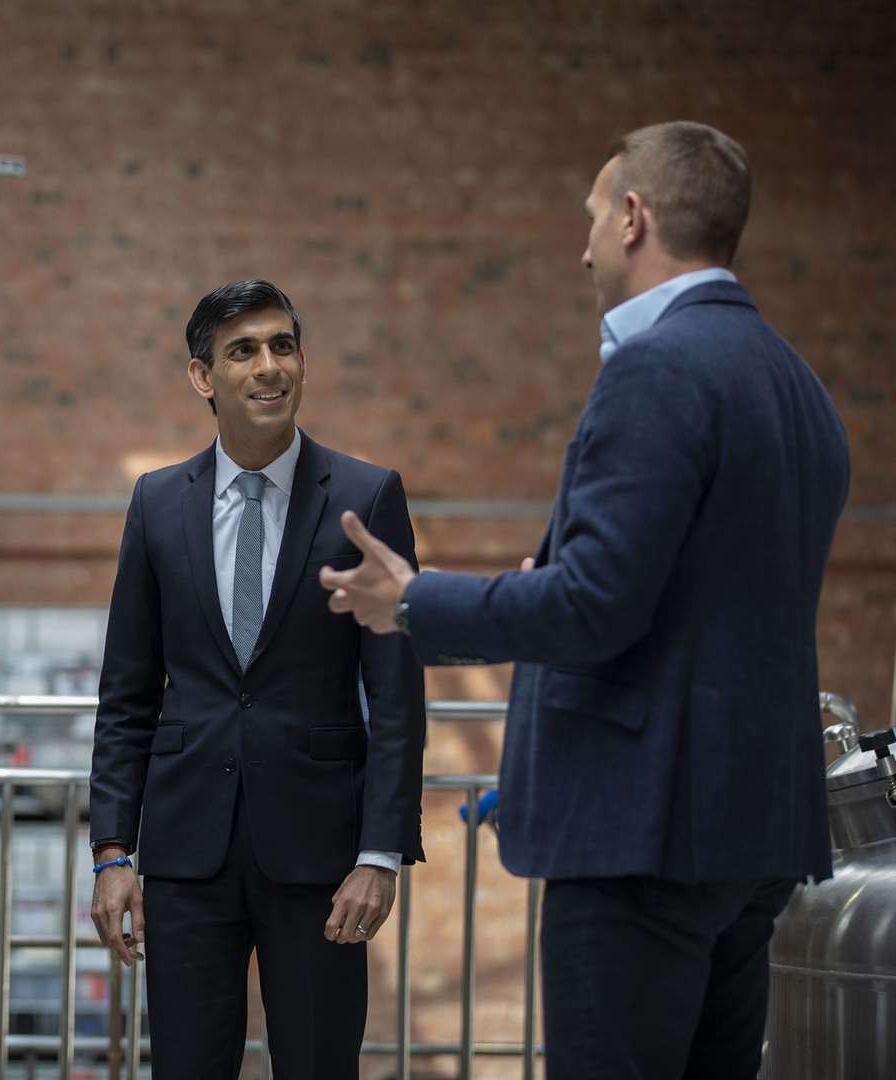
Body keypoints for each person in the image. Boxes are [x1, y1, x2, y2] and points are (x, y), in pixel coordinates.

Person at [321, 121, 850, 1079]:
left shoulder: (657, 369)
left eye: (596, 217)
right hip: (751, 829)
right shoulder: (796, 383)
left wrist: (412, 601)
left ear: (637, 218)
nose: (586, 243)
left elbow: (596, 606)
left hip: (643, 838)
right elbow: (690, 599)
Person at [89, 279, 427, 1078]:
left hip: (321, 857)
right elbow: (127, 695)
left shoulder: (365, 495)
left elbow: (397, 695)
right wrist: (111, 851)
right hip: (187, 852)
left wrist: (381, 852)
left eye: (283, 345)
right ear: (205, 377)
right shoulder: (157, 502)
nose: (269, 366)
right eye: (243, 351)